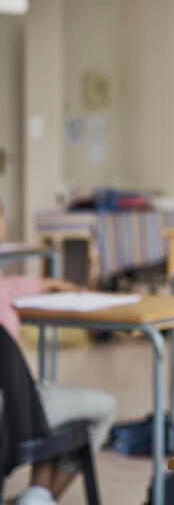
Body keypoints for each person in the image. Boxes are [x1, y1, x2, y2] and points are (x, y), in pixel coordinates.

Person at [0, 197, 117, 505]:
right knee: (103, 407)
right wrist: (47, 284)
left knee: (45, 391)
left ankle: (37, 493)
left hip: (16, 403)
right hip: (14, 411)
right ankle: (40, 497)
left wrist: (42, 283)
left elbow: (10, 287)